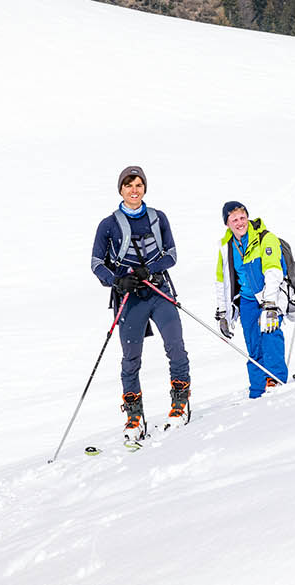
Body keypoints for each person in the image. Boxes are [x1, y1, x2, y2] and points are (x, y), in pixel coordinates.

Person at [90, 165, 190, 442]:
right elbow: (96, 263)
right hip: (129, 299)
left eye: (138, 185)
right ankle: (134, 415)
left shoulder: (159, 218)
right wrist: (117, 282)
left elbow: (171, 254)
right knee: (130, 358)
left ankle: (180, 403)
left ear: (144, 188)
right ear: (120, 189)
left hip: (158, 291)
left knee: (175, 346)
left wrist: (151, 269)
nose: (134, 191)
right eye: (128, 186)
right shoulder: (108, 225)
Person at [214, 201, 290, 397]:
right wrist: (223, 313)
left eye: (242, 217)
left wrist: (270, 305)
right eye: (234, 220)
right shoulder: (226, 247)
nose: (240, 223)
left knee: (270, 336)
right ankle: (257, 390)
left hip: (268, 297)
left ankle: (276, 380)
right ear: (227, 223)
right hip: (247, 301)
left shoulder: (266, 238)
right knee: (253, 344)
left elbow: (273, 271)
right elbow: (222, 282)